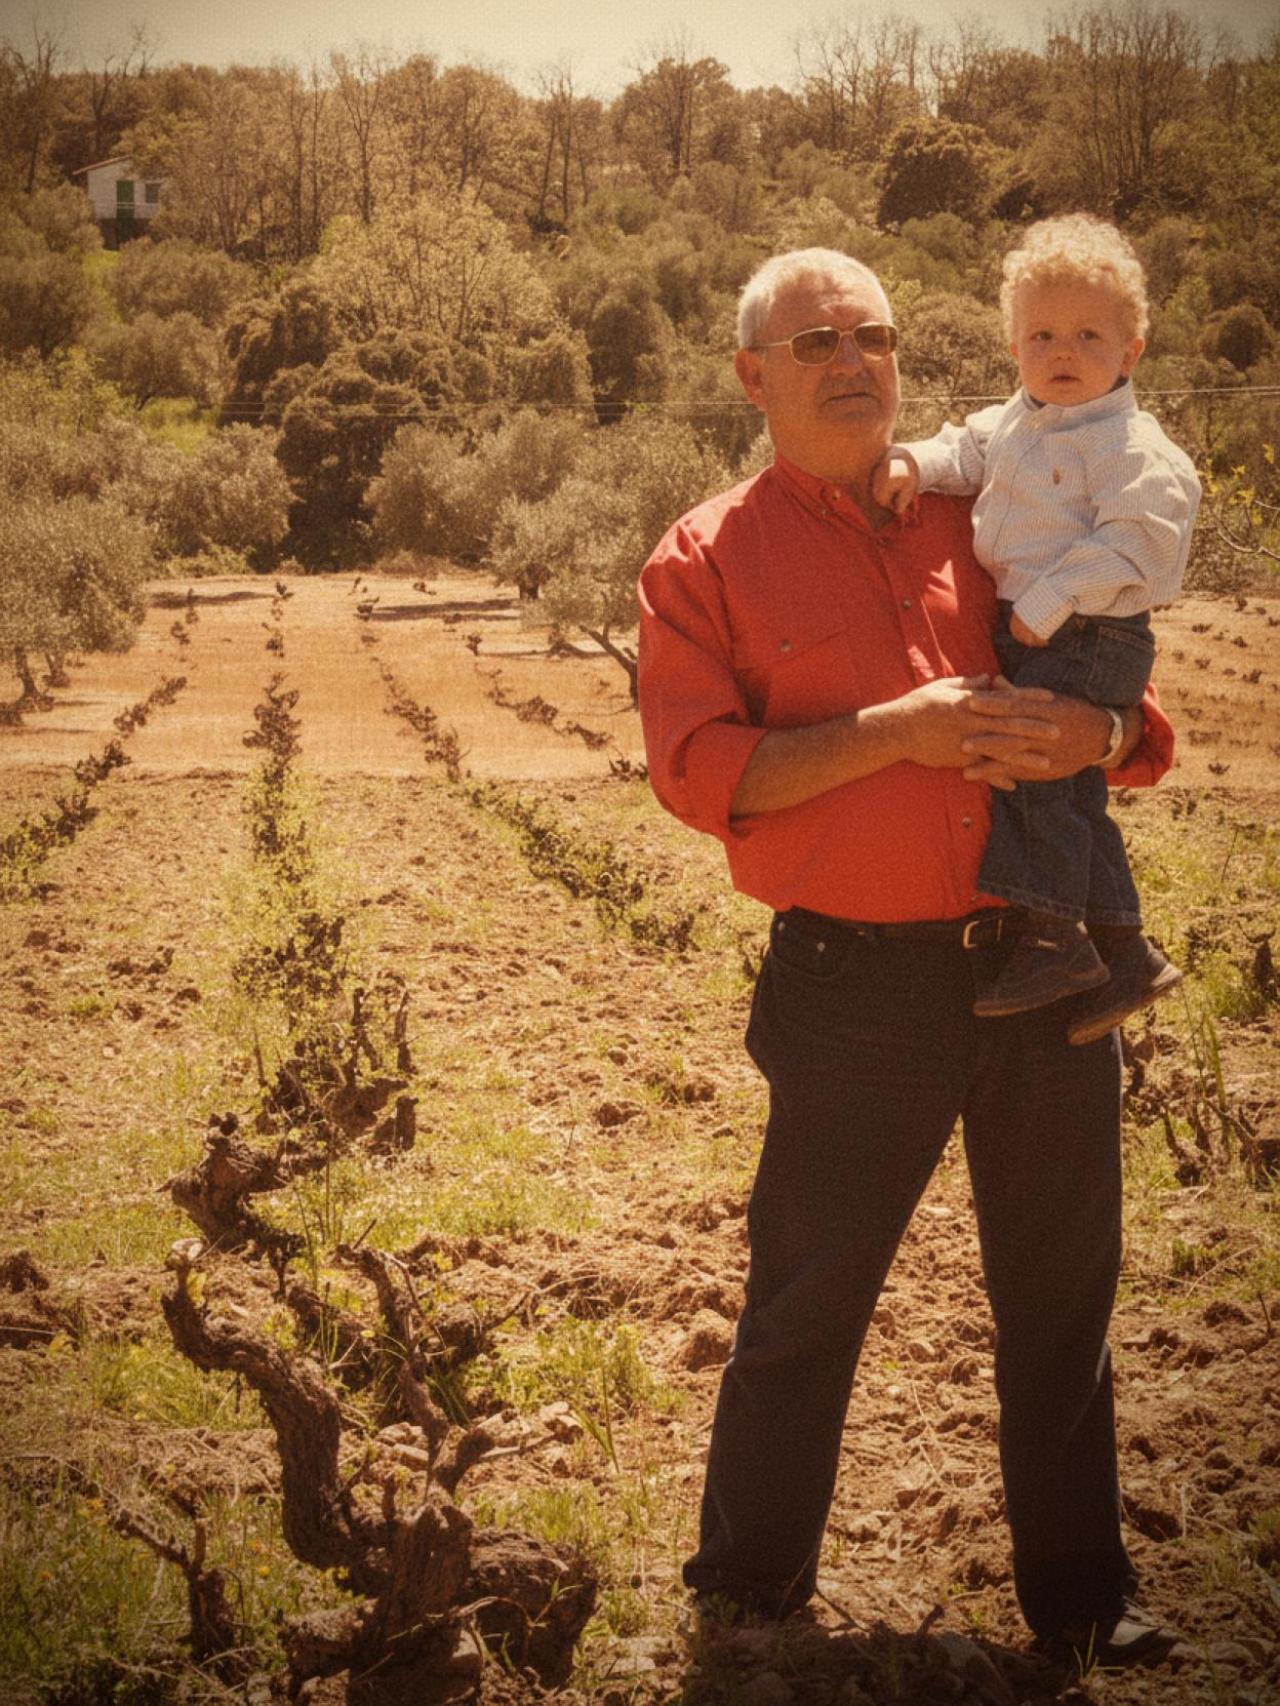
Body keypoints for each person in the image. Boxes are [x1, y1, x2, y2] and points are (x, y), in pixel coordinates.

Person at [636, 247, 1183, 1666]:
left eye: (871, 334)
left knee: (1064, 1296)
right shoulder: (703, 557)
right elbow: (701, 772)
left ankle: (1083, 1593)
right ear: (755, 377)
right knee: (806, 1298)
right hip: (851, 985)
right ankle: (748, 1594)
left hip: (1042, 962)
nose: (851, 360)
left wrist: (1100, 738)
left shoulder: (979, 508)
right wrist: (897, 731)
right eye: (815, 341)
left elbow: (1136, 716)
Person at [872, 215, 1200, 1039]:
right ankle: (1123, 950)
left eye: (1088, 335)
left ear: (1131, 351)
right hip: (1049, 626)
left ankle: (1051, 935)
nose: (1062, 352)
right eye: (1042, 335)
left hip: (1091, 630)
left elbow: (1143, 545)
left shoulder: (1130, 445)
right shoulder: (1016, 420)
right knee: (1072, 789)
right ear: (1015, 348)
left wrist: (1048, 604)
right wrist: (913, 460)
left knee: (1034, 768)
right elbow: (965, 448)